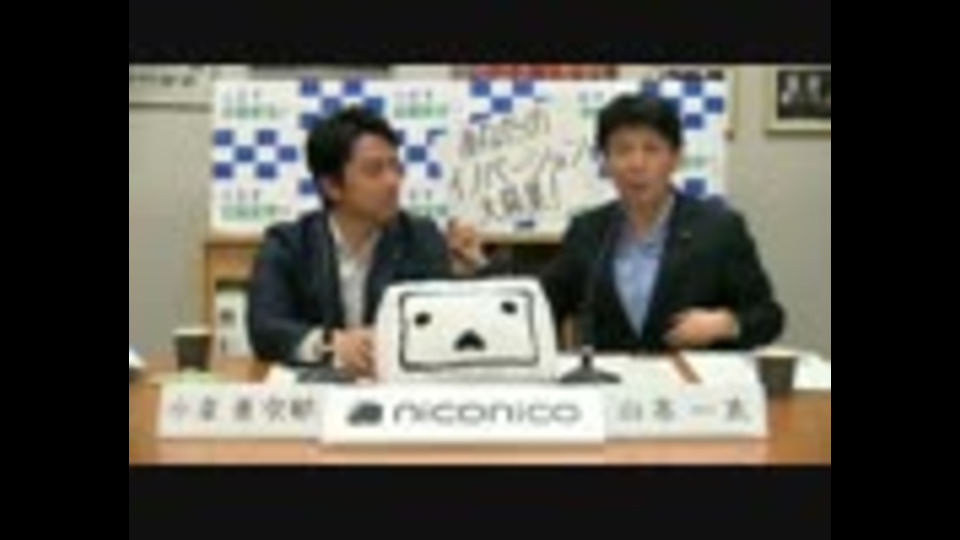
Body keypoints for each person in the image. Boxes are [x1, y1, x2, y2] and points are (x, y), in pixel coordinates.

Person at [246, 106, 487, 377]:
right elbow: (265, 329)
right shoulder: (288, 245)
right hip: (318, 391)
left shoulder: (420, 237)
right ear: (331, 186)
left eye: (396, 167)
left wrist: (472, 273)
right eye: (374, 170)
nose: (392, 181)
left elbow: (443, 323)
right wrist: (331, 345)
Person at [541, 93, 785, 352]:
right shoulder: (587, 231)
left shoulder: (719, 230)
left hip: (690, 375)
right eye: (622, 150)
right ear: (606, 162)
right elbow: (543, 307)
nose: (636, 164)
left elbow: (768, 316)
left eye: (651, 149)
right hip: (610, 376)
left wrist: (725, 324)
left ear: (675, 158)